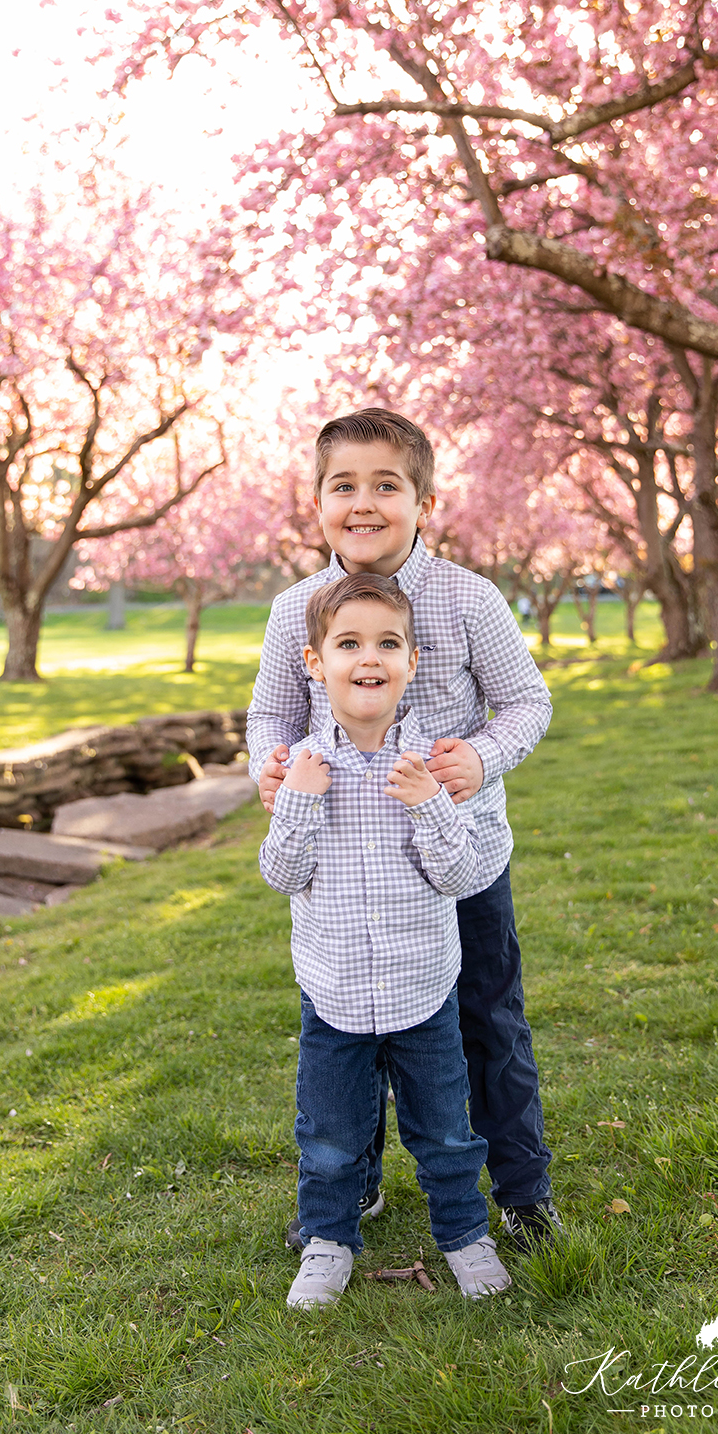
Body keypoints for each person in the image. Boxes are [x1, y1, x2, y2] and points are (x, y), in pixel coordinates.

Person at [248, 408, 561, 1251]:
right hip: (345, 869)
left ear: (423, 500)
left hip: (455, 853)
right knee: (351, 1028)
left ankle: (520, 1191)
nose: (363, 502)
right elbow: (269, 717)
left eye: (386, 485)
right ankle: (349, 1189)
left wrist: (483, 757)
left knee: (485, 1018)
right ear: (316, 502)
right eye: (342, 485)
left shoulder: (466, 598)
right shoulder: (296, 611)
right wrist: (268, 770)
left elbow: (527, 701)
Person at [260, 573, 512, 1307]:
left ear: (411, 663)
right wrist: (300, 804)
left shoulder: (427, 765)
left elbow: (463, 876)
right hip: (332, 993)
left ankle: (465, 1237)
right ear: (315, 663)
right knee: (330, 1138)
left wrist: (432, 806)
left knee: (444, 1136)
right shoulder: (302, 767)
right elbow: (281, 872)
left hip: (421, 989)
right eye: (348, 644)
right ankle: (328, 1241)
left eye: (387, 644)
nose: (367, 658)